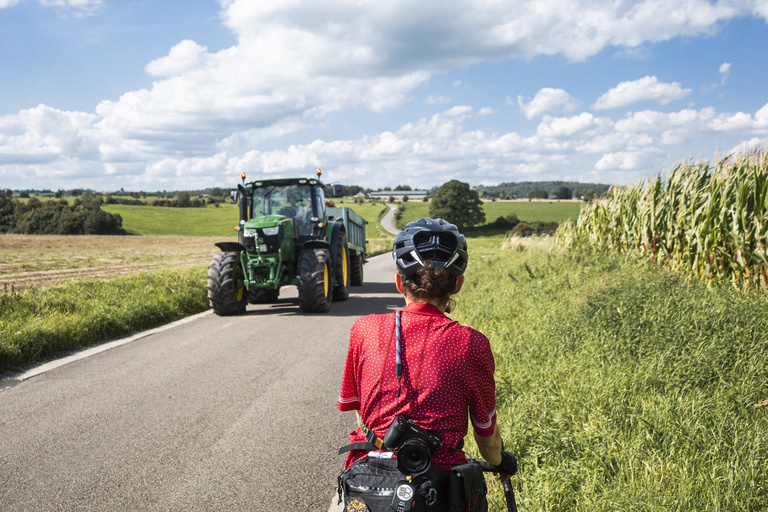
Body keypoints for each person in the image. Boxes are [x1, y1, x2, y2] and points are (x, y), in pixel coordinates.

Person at [337, 218, 516, 508]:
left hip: (369, 484)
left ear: (399, 282)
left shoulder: (363, 329)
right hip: (441, 488)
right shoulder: (471, 343)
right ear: (457, 285)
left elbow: (359, 412)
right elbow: (487, 438)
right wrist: (500, 460)